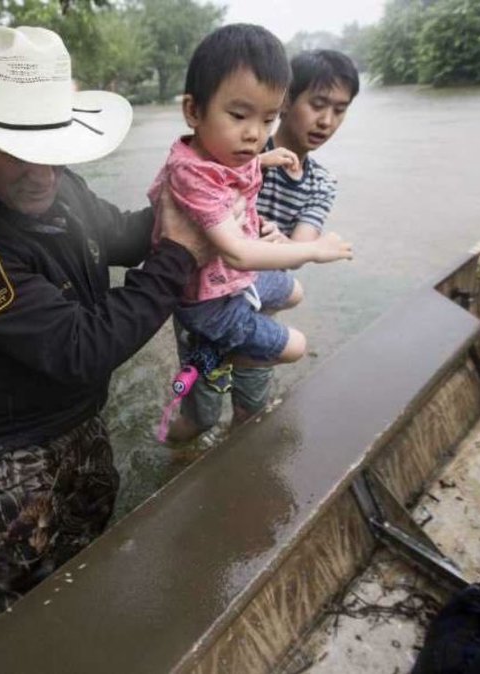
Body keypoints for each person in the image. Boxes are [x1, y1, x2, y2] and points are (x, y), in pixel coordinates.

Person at [0, 25, 213, 610]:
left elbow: (121, 235)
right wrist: (178, 258)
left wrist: (194, 198)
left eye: (53, 150)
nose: (42, 172)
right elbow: (80, 349)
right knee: (26, 579)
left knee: (92, 530)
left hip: (81, 412)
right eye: (18, 151)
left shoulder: (59, 184)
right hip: (14, 442)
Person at [148, 24, 352, 441]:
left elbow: (239, 184)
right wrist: (309, 251)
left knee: (251, 413)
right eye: (317, 104)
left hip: (244, 291)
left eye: (266, 119)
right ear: (292, 100)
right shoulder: (227, 151)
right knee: (202, 412)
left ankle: (230, 455)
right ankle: (170, 439)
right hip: (213, 298)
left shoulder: (291, 170)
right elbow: (240, 244)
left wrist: (265, 166)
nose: (254, 133)